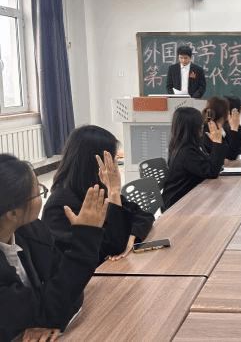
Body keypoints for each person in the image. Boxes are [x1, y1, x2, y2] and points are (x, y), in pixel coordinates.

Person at [0, 154, 108, 341]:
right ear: (13, 213)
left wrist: (47, 317)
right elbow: (59, 295)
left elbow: (69, 287)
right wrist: (86, 237)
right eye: (37, 192)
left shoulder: (31, 230)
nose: (43, 195)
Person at [42, 126, 154, 265]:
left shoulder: (97, 187)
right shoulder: (60, 206)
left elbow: (143, 215)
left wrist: (132, 237)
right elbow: (112, 248)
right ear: (95, 163)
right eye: (112, 160)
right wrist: (114, 191)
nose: (114, 167)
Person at [162, 106, 227, 210]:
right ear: (193, 128)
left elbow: (210, 164)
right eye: (200, 126)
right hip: (177, 204)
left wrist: (216, 143)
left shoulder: (185, 145)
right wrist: (217, 143)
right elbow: (212, 172)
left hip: (189, 196)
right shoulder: (186, 152)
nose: (202, 128)